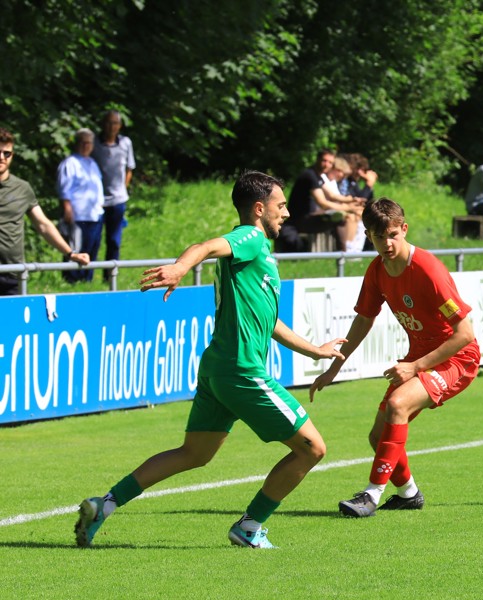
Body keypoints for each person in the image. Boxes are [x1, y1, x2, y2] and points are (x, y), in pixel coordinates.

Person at [74, 171, 347, 549]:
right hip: (241, 371)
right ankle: (250, 527)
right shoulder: (250, 237)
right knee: (312, 448)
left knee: (194, 453)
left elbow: (268, 321)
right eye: (280, 206)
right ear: (258, 208)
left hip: (218, 367)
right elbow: (204, 246)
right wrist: (180, 267)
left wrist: (315, 350)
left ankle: (103, 505)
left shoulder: (256, 254)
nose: (285, 213)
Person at [310, 198, 480, 518]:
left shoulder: (428, 270)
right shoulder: (377, 270)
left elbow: (465, 334)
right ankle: (408, 493)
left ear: (404, 229)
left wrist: (415, 366)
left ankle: (371, 495)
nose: (386, 243)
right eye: (377, 236)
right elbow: (363, 321)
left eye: (391, 234)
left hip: (457, 357)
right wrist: (334, 367)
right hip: (420, 356)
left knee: (397, 405)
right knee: (378, 437)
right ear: (367, 235)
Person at [0, 127, 89, 295]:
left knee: (13, 322)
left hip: (12, 274)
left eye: (7, 153)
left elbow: (43, 225)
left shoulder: (22, 188)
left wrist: (70, 253)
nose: (1, 158)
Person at [278, 149, 358, 252]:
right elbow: (323, 203)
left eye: (330, 163)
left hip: (308, 216)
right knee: (339, 219)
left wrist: (351, 200)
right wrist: (348, 208)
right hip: (299, 220)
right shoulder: (310, 176)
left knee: (339, 215)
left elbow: (332, 195)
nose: (327, 165)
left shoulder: (317, 175)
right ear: (318, 159)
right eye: (324, 161)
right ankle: (343, 254)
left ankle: (347, 251)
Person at [91, 110, 136, 281]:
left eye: (115, 123)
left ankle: (109, 278)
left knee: (114, 241)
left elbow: (129, 169)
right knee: (94, 240)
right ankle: (87, 276)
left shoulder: (125, 143)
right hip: (96, 201)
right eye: (109, 122)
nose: (112, 127)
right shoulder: (94, 143)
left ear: (120, 126)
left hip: (117, 200)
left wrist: (123, 188)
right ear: (103, 124)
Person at [57, 128, 105, 283]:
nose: (86, 146)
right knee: (75, 250)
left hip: (94, 215)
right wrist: (67, 208)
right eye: (83, 142)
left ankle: (87, 281)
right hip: (77, 216)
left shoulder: (92, 163)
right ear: (77, 144)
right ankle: (71, 281)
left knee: (91, 251)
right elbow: (64, 188)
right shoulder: (70, 163)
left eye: (89, 143)